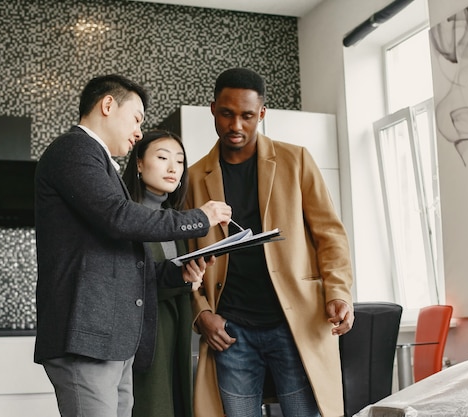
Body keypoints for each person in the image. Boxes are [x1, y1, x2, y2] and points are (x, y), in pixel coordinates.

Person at [34, 74, 231, 417]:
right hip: (88, 338)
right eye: (137, 118)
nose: (139, 131)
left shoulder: (96, 162)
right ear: (107, 105)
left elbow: (126, 263)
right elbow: (120, 217)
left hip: (111, 342)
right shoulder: (74, 149)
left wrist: (177, 274)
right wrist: (200, 217)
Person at [186, 68, 355, 417]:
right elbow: (187, 257)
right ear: (213, 108)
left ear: (262, 113)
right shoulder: (194, 178)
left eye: (247, 116)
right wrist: (201, 312)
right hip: (230, 329)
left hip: (296, 322)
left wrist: (338, 292)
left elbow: (330, 235)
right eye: (227, 114)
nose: (236, 125)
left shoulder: (297, 160)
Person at [122, 129, 201, 417]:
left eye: (179, 161)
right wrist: (180, 279)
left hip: (177, 331)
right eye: (162, 157)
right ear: (139, 163)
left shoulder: (174, 220)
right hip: (145, 338)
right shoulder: (126, 217)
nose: (173, 168)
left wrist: (190, 277)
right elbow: (131, 282)